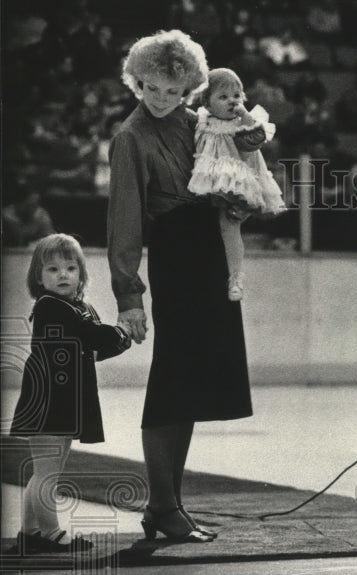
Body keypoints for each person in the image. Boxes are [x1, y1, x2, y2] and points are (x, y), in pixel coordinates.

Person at [108, 30, 252, 543]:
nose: (162, 99)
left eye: (173, 90)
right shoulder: (130, 138)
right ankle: (162, 505)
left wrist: (239, 202)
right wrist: (130, 299)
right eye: (152, 89)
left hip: (210, 251)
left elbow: (234, 177)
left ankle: (171, 505)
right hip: (174, 256)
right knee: (171, 378)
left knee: (190, 382)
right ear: (137, 81)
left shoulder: (201, 123)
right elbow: (124, 222)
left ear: (189, 85)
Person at [10, 234, 131, 554]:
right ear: (38, 277)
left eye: (70, 267)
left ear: (82, 274)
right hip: (48, 399)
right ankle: (48, 533)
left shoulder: (77, 307)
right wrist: (122, 333)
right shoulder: (51, 307)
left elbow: (93, 347)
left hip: (64, 400)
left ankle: (31, 532)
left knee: (48, 469)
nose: (63, 274)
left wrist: (116, 339)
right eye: (52, 269)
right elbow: (94, 335)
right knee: (47, 471)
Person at [188, 68, 285, 301]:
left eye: (236, 95)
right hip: (209, 182)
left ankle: (236, 276)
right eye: (223, 97)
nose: (231, 101)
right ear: (207, 103)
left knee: (229, 226)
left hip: (238, 182)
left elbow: (256, 139)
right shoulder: (203, 119)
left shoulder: (243, 122)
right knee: (209, 228)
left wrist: (245, 115)